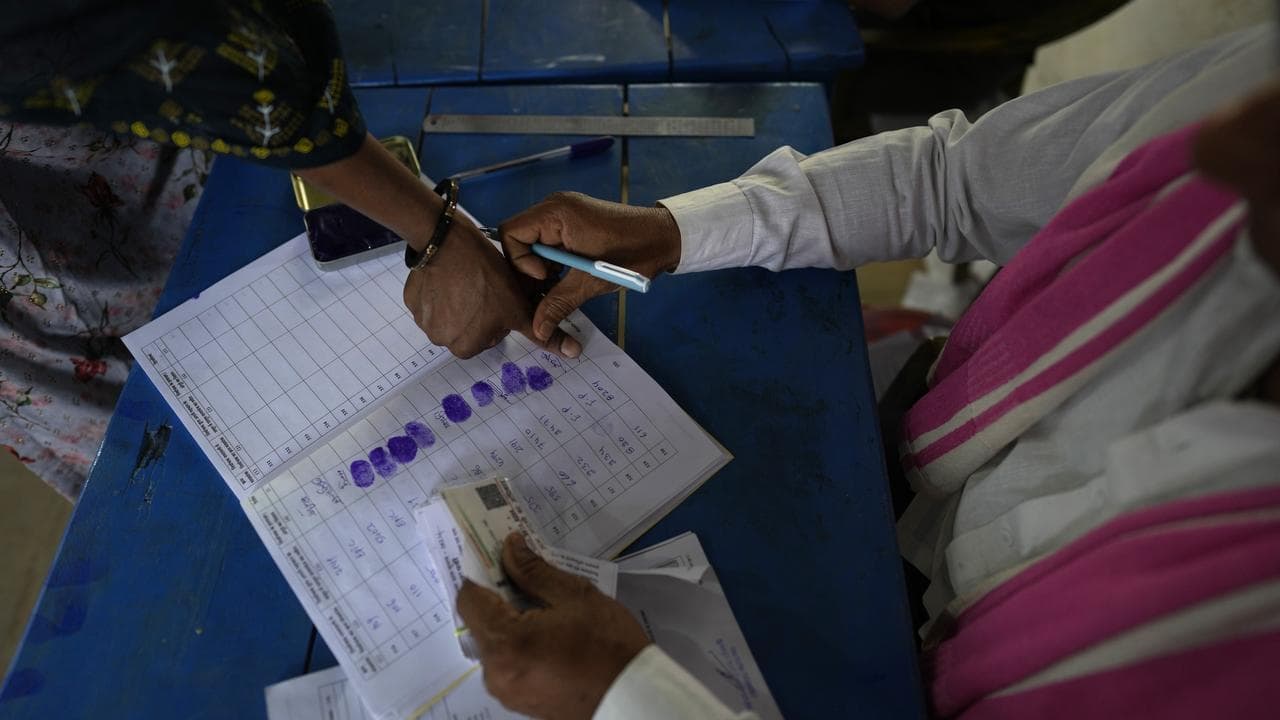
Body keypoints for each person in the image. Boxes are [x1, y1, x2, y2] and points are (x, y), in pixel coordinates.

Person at [455, 25, 1280, 719]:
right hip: (943, 457)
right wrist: (673, 230)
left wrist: (631, 698)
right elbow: (953, 180)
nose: (1219, 142)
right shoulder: (1254, 105)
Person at [0, 1, 559, 496]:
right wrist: (438, 232)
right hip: (27, 283)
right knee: (161, 472)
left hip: (143, 167)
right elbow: (235, 65)